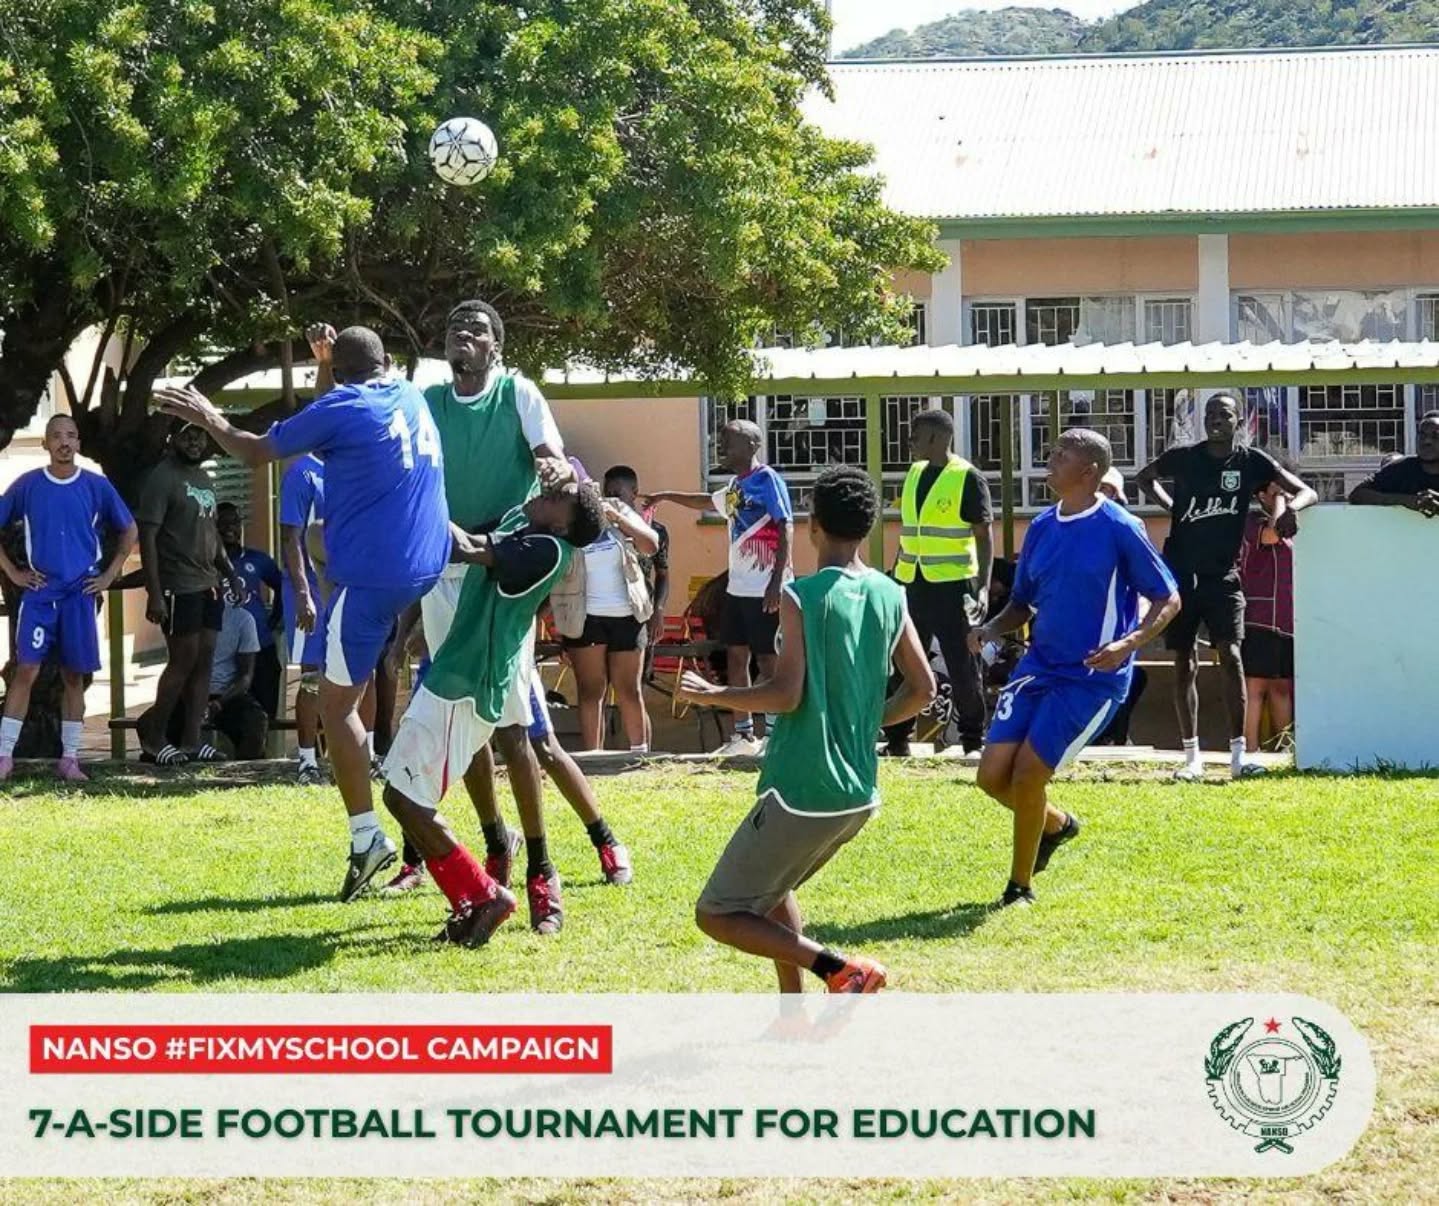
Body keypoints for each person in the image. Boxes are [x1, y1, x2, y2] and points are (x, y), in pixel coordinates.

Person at [155, 324, 451, 903]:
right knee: (414, 695)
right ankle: (459, 816)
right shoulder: (410, 394)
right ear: (386, 362)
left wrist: (209, 417)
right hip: (428, 573)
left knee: (334, 705)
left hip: (369, 583)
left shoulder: (341, 407)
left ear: (339, 374)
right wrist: (325, 369)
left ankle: (369, 837)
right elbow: (332, 421)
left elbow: (257, 449)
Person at [676, 465, 935, 993]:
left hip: (802, 787)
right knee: (773, 888)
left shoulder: (802, 595)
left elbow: (785, 693)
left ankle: (838, 970)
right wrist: (863, 725)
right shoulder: (889, 592)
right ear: (867, 528)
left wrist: (716, 694)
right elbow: (923, 690)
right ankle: (792, 1014)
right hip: (859, 793)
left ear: (812, 526)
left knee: (718, 912)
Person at [379, 481, 605, 947]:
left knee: (406, 801)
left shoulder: (546, 550)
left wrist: (405, 486)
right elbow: (465, 538)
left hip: (468, 686)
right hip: (453, 677)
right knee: (401, 797)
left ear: (562, 522)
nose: (546, 491)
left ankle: (484, 897)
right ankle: (476, 896)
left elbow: (462, 546)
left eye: (556, 495)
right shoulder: (525, 523)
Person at [968, 429, 1180, 908]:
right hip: (1038, 667)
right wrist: (990, 629)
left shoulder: (1121, 527)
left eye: (1062, 454)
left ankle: (1019, 887)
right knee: (990, 777)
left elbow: (1168, 597)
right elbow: (1022, 603)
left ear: (1089, 472)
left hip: (1091, 677)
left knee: (1026, 776)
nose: (1050, 458)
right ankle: (1058, 824)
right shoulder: (1041, 527)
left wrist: (1129, 643)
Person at [1135, 392, 1317, 781]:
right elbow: (1143, 477)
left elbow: (1306, 490)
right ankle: (1191, 759)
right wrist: (1172, 507)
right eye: (1211, 413)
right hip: (1182, 574)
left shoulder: (1251, 461)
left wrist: (1293, 511)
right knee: (1184, 661)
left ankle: (1237, 755)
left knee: (1231, 655)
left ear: (1239, 421)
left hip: (1224, 577)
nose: (1216, 419)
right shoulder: (1185, 458)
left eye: (1225, 414)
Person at [0, 414, 137, 781]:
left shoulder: (96, 486)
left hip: (79, 593)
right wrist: (13, 573)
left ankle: (70, 758)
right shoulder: (28, 485)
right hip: (41, 594)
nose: (64, 442)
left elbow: (128, 529)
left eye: (71, 436)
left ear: (78, 443)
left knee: (73, 676)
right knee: (25, 670)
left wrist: (109, 575)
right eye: (57, 436)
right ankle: (4, 756)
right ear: (45, 443)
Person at [648, 420, 793, 755]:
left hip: (765, 589)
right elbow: (705, 502)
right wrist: (665, 496)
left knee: (768, 660)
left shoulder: (767, 480)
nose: (722, 447)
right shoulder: (734, 485)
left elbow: (785, 525)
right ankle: (743, 735)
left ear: (752, 445)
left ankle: (772, 735)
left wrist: (776, 581)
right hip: (738, 589)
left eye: (729, 441)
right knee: (736, 656)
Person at [134, 421, 245, 767]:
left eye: (200, 434)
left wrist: (231, 574)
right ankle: (154, 736)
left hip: (208, 583)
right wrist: (154, 593)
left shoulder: (204, 478)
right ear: (172, 439)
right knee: (183, 660)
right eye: (187, 434)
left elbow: (211, 534)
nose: (195, 441)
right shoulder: (161, 478)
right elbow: (148, 538)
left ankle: (192, 742)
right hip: (177, 584)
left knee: (204, 662)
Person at [883, 407, 993, 756]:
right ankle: (898, 738)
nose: (910, 444)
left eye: (915, 437)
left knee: (962, 665)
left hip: (954, 586)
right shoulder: (914, 473)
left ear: (936, 437)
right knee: (904, 662)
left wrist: (984, 586)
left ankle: (973, 740)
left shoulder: (968, 477)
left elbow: (984, 536)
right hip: (912, 584)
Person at [552, 466, 660, 752]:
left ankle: (640, 756)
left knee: (629, 690)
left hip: (628, 613)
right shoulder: (563, 523)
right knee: (591, 691)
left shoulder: (615, 508)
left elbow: (651, 545)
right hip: (584, 617)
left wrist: (619, 518)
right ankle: (593, 759)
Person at [278, 451, 327, 784]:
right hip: (310, 586)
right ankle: (307, 762)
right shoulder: (302, 473)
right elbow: (290, 537)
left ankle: (367, 756)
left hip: (346, 584)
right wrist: (302, 594)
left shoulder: (351, 466)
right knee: (312, 674)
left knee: (361, 669)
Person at [169, 599, 269, 759]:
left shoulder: (241, 618)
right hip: (190, 694)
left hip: (227, 696)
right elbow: (178, 668)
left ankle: (243, 771)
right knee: (148, 724)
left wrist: (219, 702)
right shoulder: (184, 617)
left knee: (256, 723)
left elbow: (245, 676)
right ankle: (175, 763)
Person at [1238, 480, 1296, 752]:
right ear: (1261, 496)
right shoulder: (1252, 522)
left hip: (1286, 620)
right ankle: (1250, 749)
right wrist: (1282, 500)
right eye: (1276, 491)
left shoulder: (1294, 524)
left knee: (1282, 687)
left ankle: (1285, 747)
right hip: (1257, 617)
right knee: (1255, 686)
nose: (1284, 496)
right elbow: (1274, 533)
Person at [1092, 467, 1147, 746]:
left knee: (1130, 676)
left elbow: (1150, 581)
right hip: (1082, 618)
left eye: (1108, 489)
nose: (1102, 494)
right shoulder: (1061, 522)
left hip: (1119, 619)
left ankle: (1115, 736)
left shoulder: (1130, 525)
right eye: (1100, 487)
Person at [215, 502, 283, 720]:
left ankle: (263, 752)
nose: (229, 528)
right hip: (223, 651)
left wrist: (273, 621)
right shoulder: (205, 562)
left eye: (234, 522)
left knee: (265, 708)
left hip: (261, 646)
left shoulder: (258, 559)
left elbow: (281, 586)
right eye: (222, 523)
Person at [1348, 411, 1439, 515]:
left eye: (1435, 436)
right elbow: (1357, 495)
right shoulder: (1401, 468)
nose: (1427, 441)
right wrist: (1407, 501)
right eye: (1422, 435)